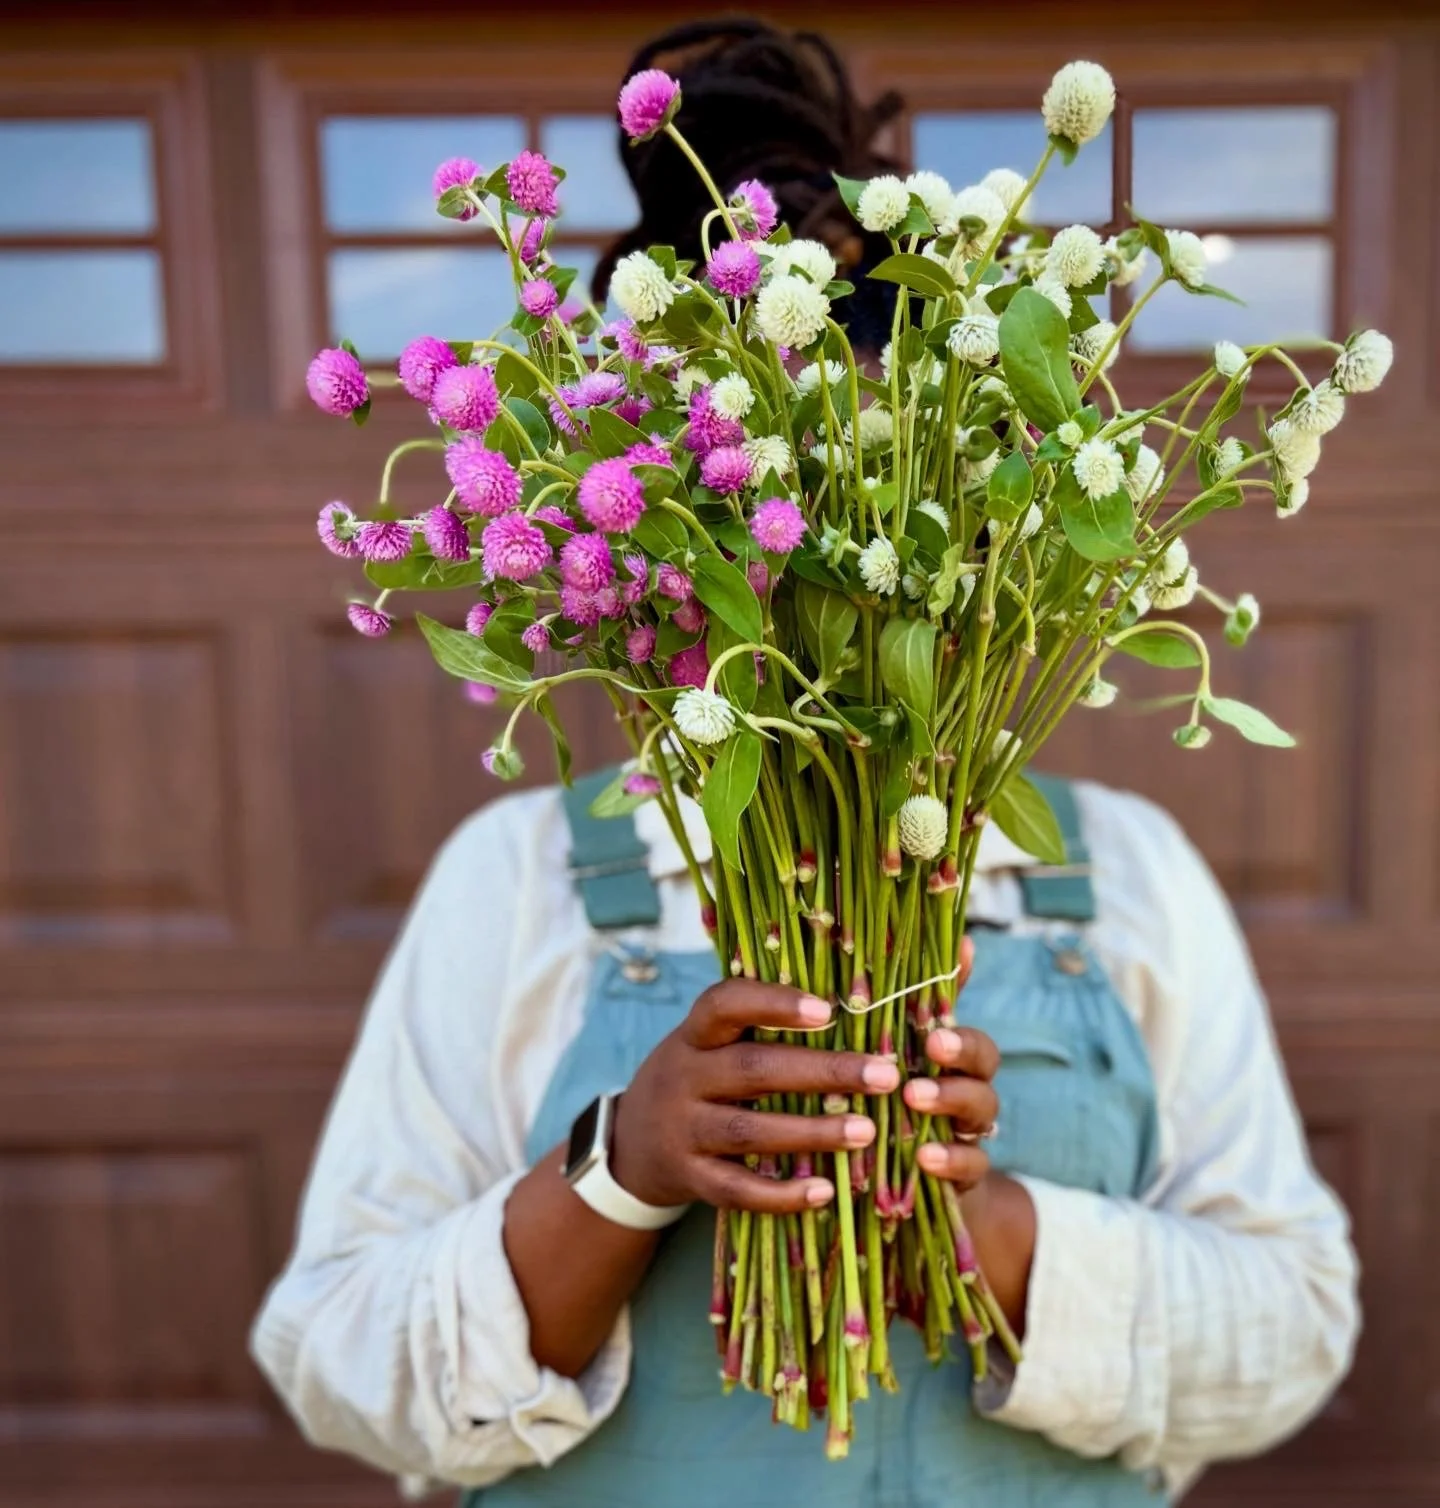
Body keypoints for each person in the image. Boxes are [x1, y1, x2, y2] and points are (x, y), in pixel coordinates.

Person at [251, 20, 1358, 1506]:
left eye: (880, 494)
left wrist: (992, 1235)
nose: (832, 566)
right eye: (782, 502)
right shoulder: (518, 882)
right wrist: (622, 1170)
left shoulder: (1126, 876)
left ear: (970, 507)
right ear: (658, 525)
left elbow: (1296, 1327)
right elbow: (338, 1356)